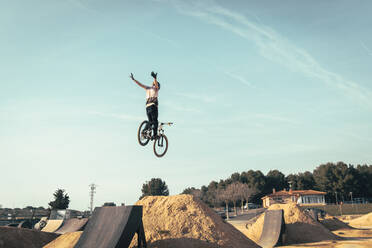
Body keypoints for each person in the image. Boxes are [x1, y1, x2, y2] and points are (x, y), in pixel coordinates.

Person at [130, 71, 160, 139]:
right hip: (153, 106)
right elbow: (156, 85)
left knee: (150, 122)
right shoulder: (155, 89)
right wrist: (155, 78)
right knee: (155, 121)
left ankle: (144, 132)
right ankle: (155, 135)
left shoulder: (147, 88)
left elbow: (140, 84)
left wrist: (134, 79)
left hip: (147, 107)